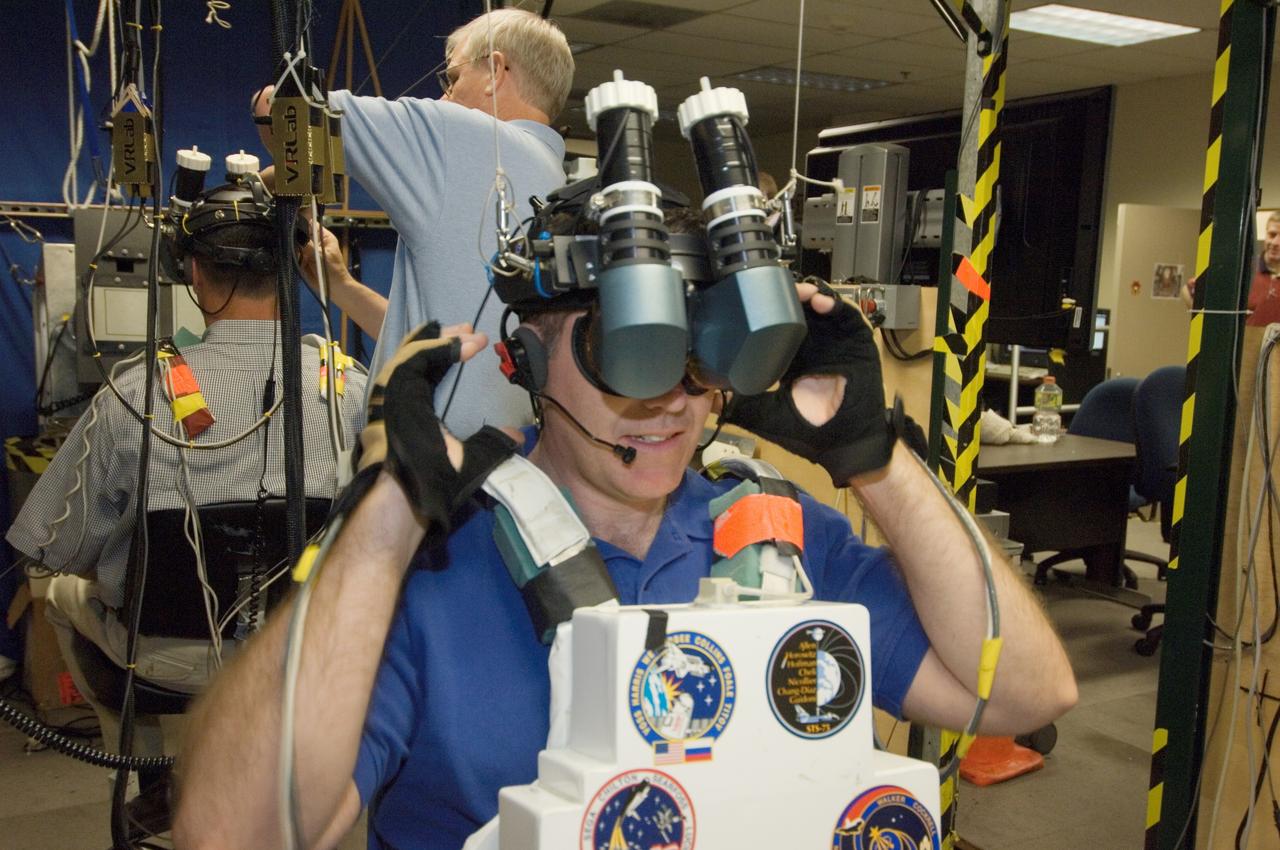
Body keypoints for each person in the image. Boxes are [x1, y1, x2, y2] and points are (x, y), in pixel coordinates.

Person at [173, 211, 1078, 850]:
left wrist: (877, 461)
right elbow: (236, 833)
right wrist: (379, 525)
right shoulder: (434, 561)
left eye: (694, 352)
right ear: (528, 357)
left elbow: (1024, 693)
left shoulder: (776, 536)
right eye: (626, 348)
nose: (668, 400)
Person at [4, 184, 368, 760]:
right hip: (304, 653)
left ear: (192, 272)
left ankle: (140, 766)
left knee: (61, 594)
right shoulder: (347, 388)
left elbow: (57, 546)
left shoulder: (133, 394)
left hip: (166, 661)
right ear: (293, 267)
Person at [253, 8, 573, 436]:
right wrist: (342, 286)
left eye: (453, 78)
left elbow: (281, 107)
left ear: (496, 70)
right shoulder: (556, 183)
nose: (443, 98)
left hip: (425, 471)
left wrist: (256, 186)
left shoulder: (458, 132)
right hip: (505, 466)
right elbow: (442, 344)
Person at [1246, 210, 1280, 326]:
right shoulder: (1244, 271)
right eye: (1272, 234)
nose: (1276, 242)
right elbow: (1189, 292)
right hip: (1248, 343)